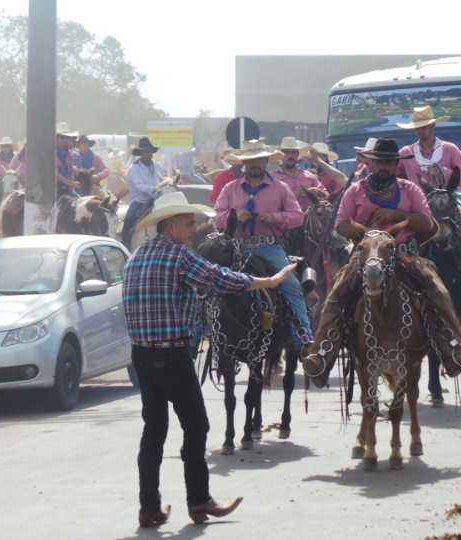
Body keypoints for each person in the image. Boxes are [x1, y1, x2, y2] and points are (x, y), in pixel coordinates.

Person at [123, 190, 297, 527]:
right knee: (197, 426)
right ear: (170, 226)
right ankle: (199, 501)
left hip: (141, 356)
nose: (194, 232)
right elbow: (222, 279)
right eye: (189, 225)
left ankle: (149, 508)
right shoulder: (179, 256)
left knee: (154, 430)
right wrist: (270, 281)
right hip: (172, 354)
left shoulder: (137, 256)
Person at [301, 139, 461, 387]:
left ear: (396, 164)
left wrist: (399, 215)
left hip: (403, 254)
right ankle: (321, 357)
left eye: (388, 162)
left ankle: (454, 350)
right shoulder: (356, 190)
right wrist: (368, 233)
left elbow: (427, 223)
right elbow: (340, 223)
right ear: (372, 163)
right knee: (336, 295)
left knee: (437, 289)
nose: (383, 167)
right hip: (365, 256)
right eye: (379, 162)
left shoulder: (410, 190)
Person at [213, 139, 314, 350]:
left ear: (266, 160)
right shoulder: (230, 189)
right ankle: (200, 337)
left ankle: (304, 339)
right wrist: (234, 217)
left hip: (269, 246)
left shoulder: (281, 188)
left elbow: (297, 216)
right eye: (250, 161)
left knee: (292, 287)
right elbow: (217, 218)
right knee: (210, 284)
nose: (255, 164)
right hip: (238, 247)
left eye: (259, 160)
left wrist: (275, 217)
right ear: (244, 163)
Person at [395, 106, 461, 189]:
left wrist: (443, 172)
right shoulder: (406, 153)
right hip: (416, 200)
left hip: (446, 199)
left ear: (433, 125)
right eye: (417, 128)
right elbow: (392, 178)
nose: (420, 131)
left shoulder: (450, 149)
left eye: (424, 127)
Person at [121, 137, 164, 249]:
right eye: (145, 151)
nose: (148, 154)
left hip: (157, 199)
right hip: (140, 201)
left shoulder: (156, 165)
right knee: (130, 217)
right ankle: (125, 242)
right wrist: (154, 189)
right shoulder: (133, 168)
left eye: (149, 151)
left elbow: (162, 179)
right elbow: (139, 186)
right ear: (140, 153)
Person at [271, 137, 328, 211]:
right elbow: (268, 201)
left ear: (297, 155)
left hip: (309, 220)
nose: (290, 156)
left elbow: (327, 195)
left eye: (293, 152)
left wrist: (318, 191)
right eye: (287, 152)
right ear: (281, 155)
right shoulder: (272, 177)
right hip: (284, 221)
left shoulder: (309, 175)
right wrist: (292, 196)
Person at [55, 122, 82, 198]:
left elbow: (70, 172)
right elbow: (54, 174)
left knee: (78, 200)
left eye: (67, 137)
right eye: (62, 138)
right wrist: (70, 183)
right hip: (51, 187)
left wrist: (73, 180)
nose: (66, 140)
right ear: (56, 138)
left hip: (65, 187)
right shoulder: (51, 154)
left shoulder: (69, 154)